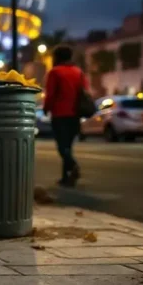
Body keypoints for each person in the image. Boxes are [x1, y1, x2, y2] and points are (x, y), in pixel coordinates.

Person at [43, 46, 89, 187]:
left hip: (60, 114)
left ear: (56, 57)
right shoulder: (78, 72)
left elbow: (50, 94)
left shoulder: (55, 72)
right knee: (68, 146)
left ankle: (73, 165)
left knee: (62, 147)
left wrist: (46, 108)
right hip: (75, 114)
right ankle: (65, 177)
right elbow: (85, 91)